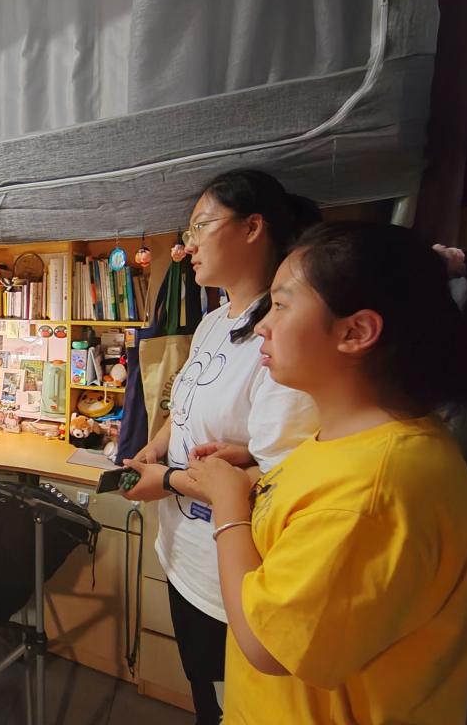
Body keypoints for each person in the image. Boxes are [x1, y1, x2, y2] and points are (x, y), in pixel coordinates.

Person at [187, 222, 467, 723]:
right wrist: (251, 474)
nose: (262, 326)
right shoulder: (351, 440)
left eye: (281, 305)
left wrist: (228, 506)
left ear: (355, 331)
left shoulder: (378, 489)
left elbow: (267, 647)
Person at [122, 170, 320, 724]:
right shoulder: (213, 322)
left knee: (230, 706)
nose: (187, 247)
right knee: (204, 695)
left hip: (230, 574)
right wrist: (154, 448)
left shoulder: (281, 341)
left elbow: (278, 478)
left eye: (200, 227)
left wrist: (166, 481)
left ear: (253, 227)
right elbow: (183, 403)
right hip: (183, 552)